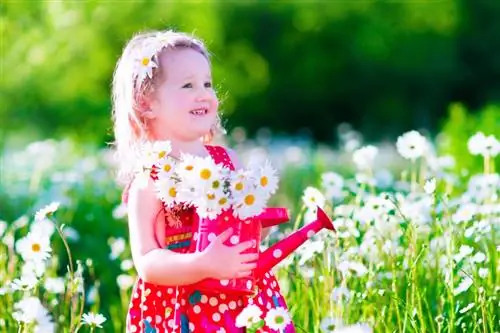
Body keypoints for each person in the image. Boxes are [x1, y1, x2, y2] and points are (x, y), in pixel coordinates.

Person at [111, 30, 295, 333]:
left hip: (242, 301)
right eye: (187, 85)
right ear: (146, 103)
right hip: (184, 308)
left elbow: (236, 225)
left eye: (207, 84)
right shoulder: (151, 179)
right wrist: (202, 264)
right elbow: (147, 262)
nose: (204, 94)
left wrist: (253, 226)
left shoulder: (226, 160)